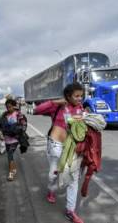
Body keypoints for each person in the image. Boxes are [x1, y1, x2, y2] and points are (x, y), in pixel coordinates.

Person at [34, 82, 85, 223]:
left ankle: (70, 211)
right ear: (68, 96)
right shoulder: (57, 106)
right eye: (77, 96)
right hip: (55, 145)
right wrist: (55, 102)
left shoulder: (81, 108)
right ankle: (51, 190)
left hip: (72, 148)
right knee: (53, 175)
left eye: (81, 96)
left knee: (73, 179)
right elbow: (36, 110)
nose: (80, 98)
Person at [0, 99, 27, 181]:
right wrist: (1, 133)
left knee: (10, 154)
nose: (8, 109)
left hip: (15, 140)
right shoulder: (4, 115)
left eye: (10, 107)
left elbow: (24, 126)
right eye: (7, 107)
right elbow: (1, 125)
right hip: (7, 139)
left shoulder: (18, 114)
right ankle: (13, 169)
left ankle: (11, 173)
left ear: (14, 106)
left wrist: (17, 131)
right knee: (9, 155)